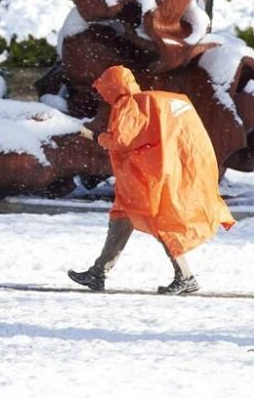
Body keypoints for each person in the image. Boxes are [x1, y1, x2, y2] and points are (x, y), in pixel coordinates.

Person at [68, 65, 235, 295]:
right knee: (121, 217)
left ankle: (185, 276)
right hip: (157, 171)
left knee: (161, 220)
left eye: (105, 89)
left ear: (113, 87)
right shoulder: (158, 101)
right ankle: (98, 273)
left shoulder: (130, 104)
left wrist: (92, 136)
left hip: (148, 177)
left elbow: (121, 141)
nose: (104, 95)